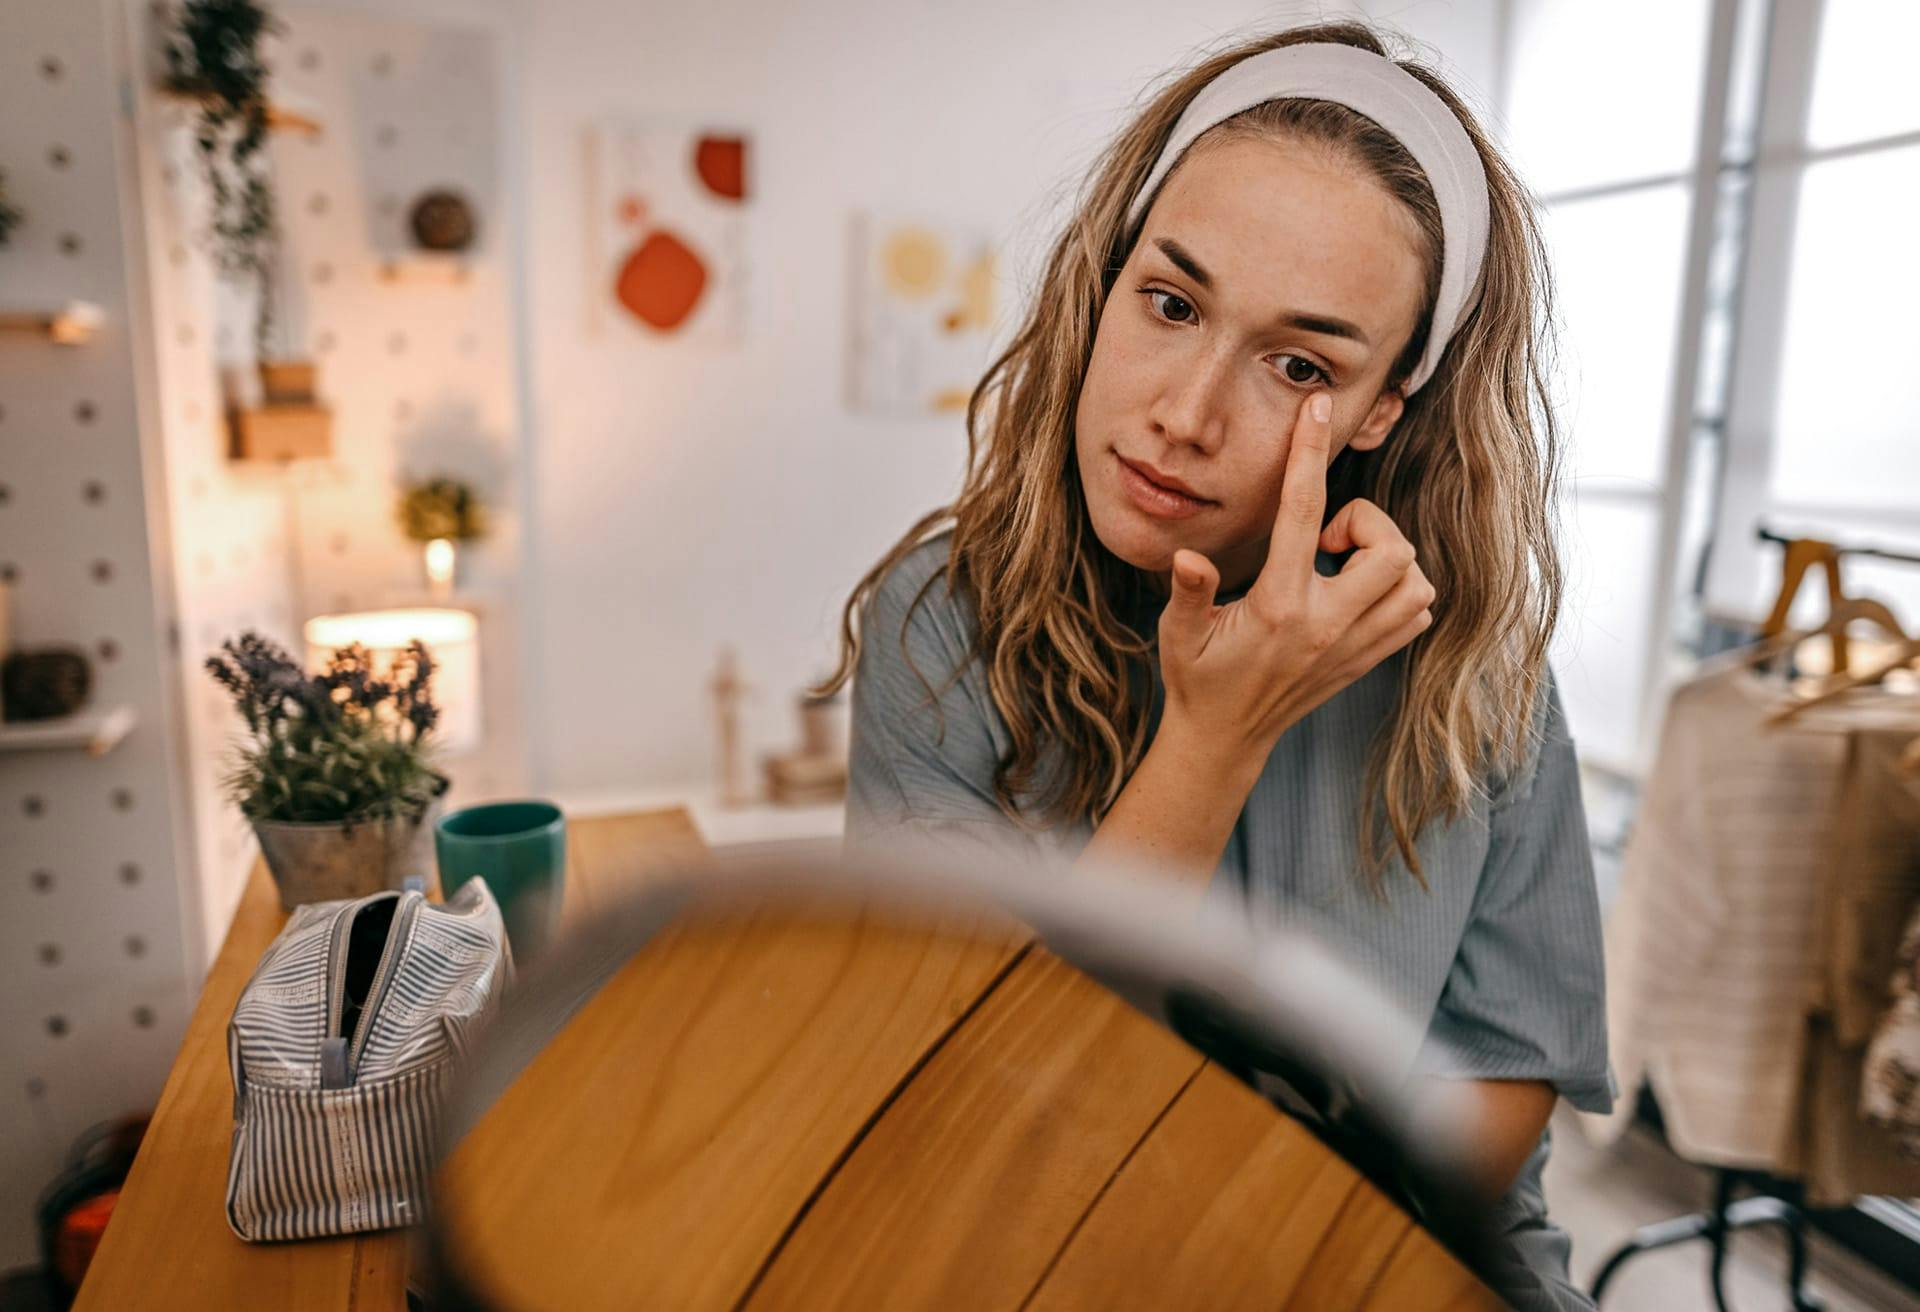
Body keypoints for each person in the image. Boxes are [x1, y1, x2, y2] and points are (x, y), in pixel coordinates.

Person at [813, 18, 1613, 1309]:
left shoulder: (1472, 667)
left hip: (1391, 1255)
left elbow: (1508, 1084)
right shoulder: (940, 624)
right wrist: (1216, 735)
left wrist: (1282, 1255)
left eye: (1300, 364)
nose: (1185, 415)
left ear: (1380, 407)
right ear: (1105, 279)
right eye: (1171, 303)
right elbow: (978, 1084)